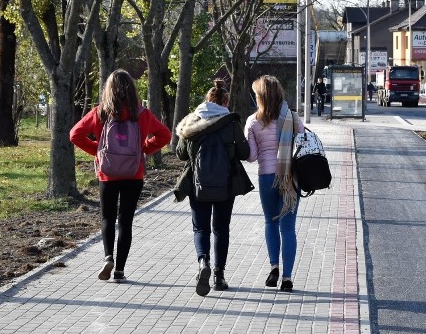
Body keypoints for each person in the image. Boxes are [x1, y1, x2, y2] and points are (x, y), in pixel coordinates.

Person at [70, 69, 171, 283]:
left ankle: (108, 257)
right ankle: (120, 271)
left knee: (107, 217)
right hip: (134, 173)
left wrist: (97, 150)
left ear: (108, 90)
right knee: (125, 221)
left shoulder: (100, 112)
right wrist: (143, 149)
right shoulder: (142, 114)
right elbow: (165, 135)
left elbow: (75, 134)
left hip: (107, 173)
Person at [174, 79, 251, 296]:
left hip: (198, 184)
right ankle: (219, 275)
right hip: (225, 185)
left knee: (200, 228)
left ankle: (203, 263)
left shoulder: (192, 121)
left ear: (207, 99)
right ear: (225, 102)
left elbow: (180, 154)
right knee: (221, 229)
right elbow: (244, 153)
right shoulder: (231, 123)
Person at [245, 76, 305, 292]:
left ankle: (274, 268)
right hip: (290, 178)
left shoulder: (253, 122)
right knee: (288, 228)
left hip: (266, 177)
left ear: (260, 97)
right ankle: (287, 278)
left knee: (270, 222)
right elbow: (303, 146)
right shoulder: (293, 119)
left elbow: (251, 157)